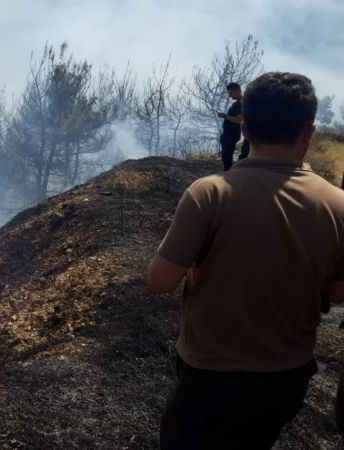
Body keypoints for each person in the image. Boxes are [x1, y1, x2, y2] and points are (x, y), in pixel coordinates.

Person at [147, 72, 344, 449]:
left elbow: (159, 281)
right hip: (286, 377)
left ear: (247, 128)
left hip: (208, 374)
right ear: (308, 131)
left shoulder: (209, 193)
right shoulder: (338, 204)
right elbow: (336, 292)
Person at [216, 82, 250, 170]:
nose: (230, 96)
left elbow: (239, 120)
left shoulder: (242, 103)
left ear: (237, 90)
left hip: (232, 135)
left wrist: (225, 116)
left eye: (231, 93)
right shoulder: (237, 103)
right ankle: (230, 173)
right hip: (228, 135)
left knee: (228, 156)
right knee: (226, 156)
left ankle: (230, 175)